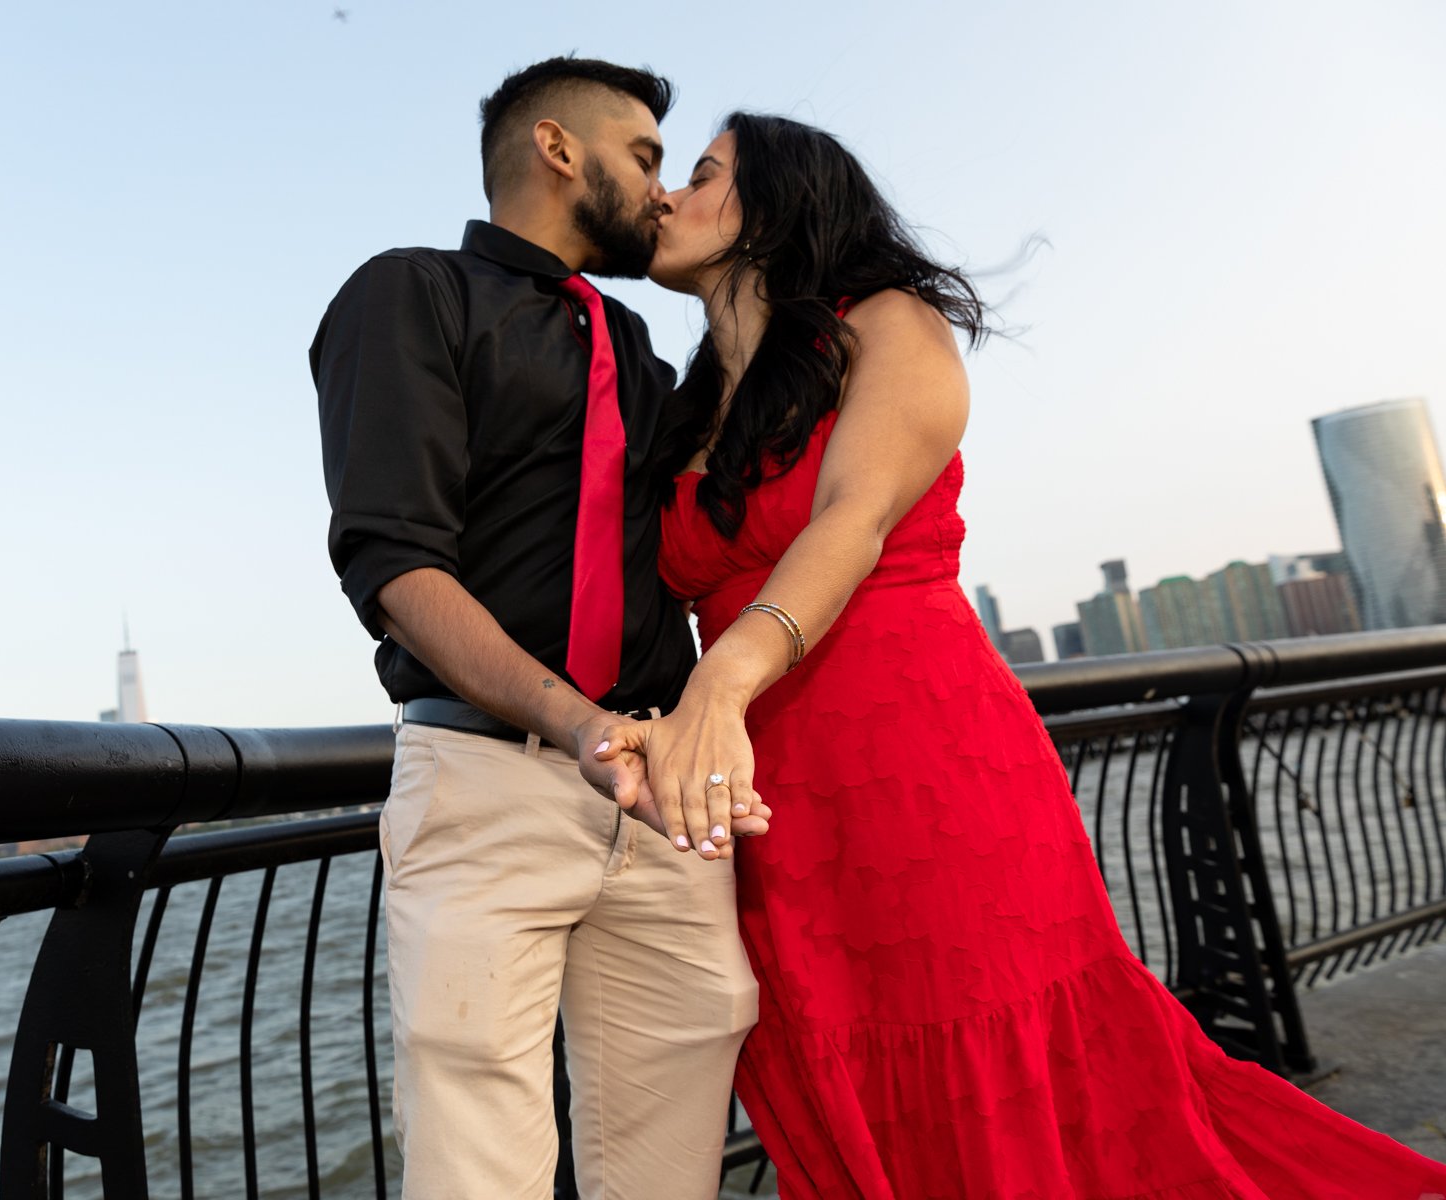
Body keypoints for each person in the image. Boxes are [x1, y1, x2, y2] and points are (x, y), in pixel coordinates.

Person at [598, 111, 1446, 1198]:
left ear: (783, 201)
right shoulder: (689, 408)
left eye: (702, 174)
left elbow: (848, 524)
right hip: (768, 803)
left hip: (926, 765)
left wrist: (722, 679)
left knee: (994, 1068)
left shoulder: (887, 324)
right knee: (833, 1069)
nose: (664, 197)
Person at [310, 58, 768, 1199]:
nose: (662, 193)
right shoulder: (409, 292)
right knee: (479, 1172)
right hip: (487, 783)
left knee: (670, 1169)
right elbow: (393, 561)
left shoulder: (645, 352)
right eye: (648, 158)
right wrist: (576, 726)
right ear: (559, 149)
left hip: (658, 799)